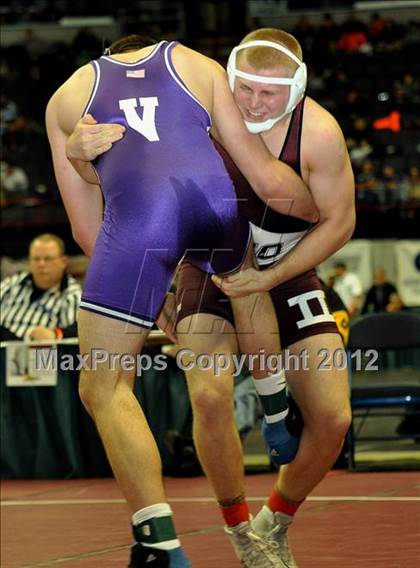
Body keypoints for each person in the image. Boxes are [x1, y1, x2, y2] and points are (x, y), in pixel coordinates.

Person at [69, 28, 355, 568]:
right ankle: (241, 530)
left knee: (334, 417)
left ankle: (277, 516)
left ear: (297, 89)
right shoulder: (195, 104)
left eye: (269, 94)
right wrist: (75, 149)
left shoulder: (318, 132)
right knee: (208, 396)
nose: (252, 103)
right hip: (208, 269)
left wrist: (270, 278)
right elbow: (122, 184)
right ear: (228, 77)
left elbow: (342, 222)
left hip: (285, 271)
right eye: (243, 88)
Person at [1, 233, 81, 341]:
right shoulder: (11, 284)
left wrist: (55, 334)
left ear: (63, 262)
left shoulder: (73, 295)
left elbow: (79, 334)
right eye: (36, 259)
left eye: (48, 259)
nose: (41, 264)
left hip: (42, 354)